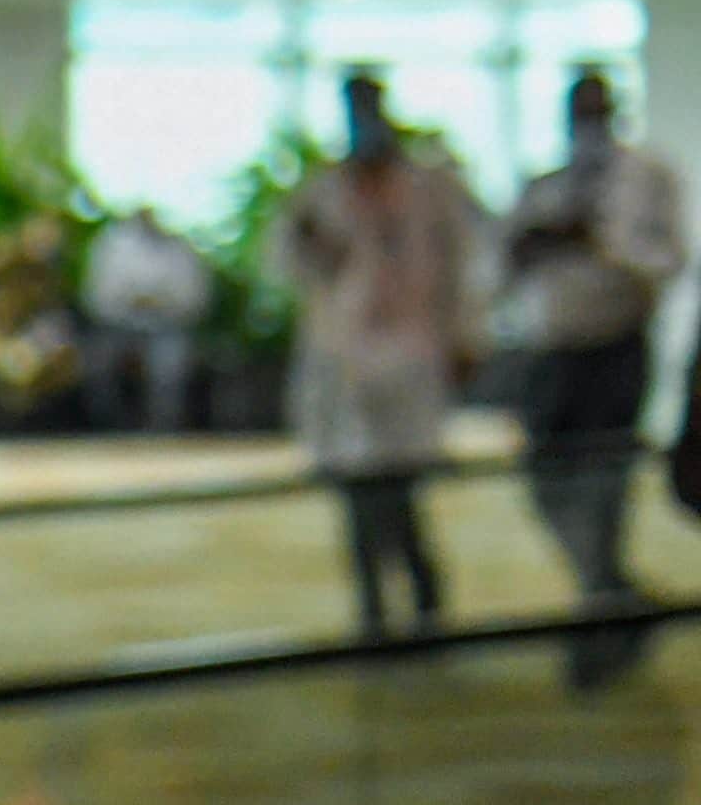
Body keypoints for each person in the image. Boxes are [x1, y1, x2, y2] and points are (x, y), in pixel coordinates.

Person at [272, 72, 485, 637]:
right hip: (344, 361)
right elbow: (296, 266)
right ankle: (374, 611)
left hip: (410, 357)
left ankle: (423, 603)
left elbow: (459, 270)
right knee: (357, 492)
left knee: (398, 489)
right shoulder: (324, 191)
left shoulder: (429, 189)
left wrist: (464, 339)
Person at [498, 68, 682, 687]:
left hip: (616, 346)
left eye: (599, 109)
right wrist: (542, 241)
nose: (589, 123)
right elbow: (504, 258)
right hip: (552, 349)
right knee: (544, 479)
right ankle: (614, 596)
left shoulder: (648, 179)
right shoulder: (544, 185)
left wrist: (601, 244)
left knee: (604, 486)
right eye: (580, 111)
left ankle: (600, 624)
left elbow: (670, 259)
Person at [82, 205, 215, 433]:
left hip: (167, 326)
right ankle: (107, 426)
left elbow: (194, 299)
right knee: (98, 360)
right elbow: (96, 297)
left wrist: (162, 301)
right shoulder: (111, 247)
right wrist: (130, 300)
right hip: (118, 325)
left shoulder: (180, 250)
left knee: (169, 363)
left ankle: (162, 426)